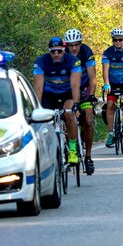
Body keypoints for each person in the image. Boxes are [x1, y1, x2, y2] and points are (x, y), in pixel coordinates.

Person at [33, 36, 83, 165]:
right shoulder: (41, 61)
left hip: (67, 95)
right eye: (53, 51)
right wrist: (37, 108)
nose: (56, 54)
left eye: (59, 51)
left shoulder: (73, 61)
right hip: (49, 96)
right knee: (45, 121)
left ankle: (72, 150)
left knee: (68, 112)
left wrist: (76, 104)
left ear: (64, 50)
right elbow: (38, 87)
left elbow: (75, 86)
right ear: (49, 51)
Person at [63, 29, 98, 175]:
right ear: (66, 45)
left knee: (88, 120)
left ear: (81, 44)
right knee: (67, 116)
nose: (74, 48)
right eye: (71, 45)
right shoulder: (61, 54)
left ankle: (88, 157)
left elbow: (92, 77)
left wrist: (91, 94)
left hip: (84, 90)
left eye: (76, 45)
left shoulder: (87, 52)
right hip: (68, 90)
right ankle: (69, 148)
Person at [102, 28, 123, 148]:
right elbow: (105, 70)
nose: (118, 42)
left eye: (120, 40)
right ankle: (111, 134)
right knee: (110, 104)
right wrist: (106, 83)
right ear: (112, 40)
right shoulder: (107, 52)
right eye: (115, 40)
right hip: (112, 82)